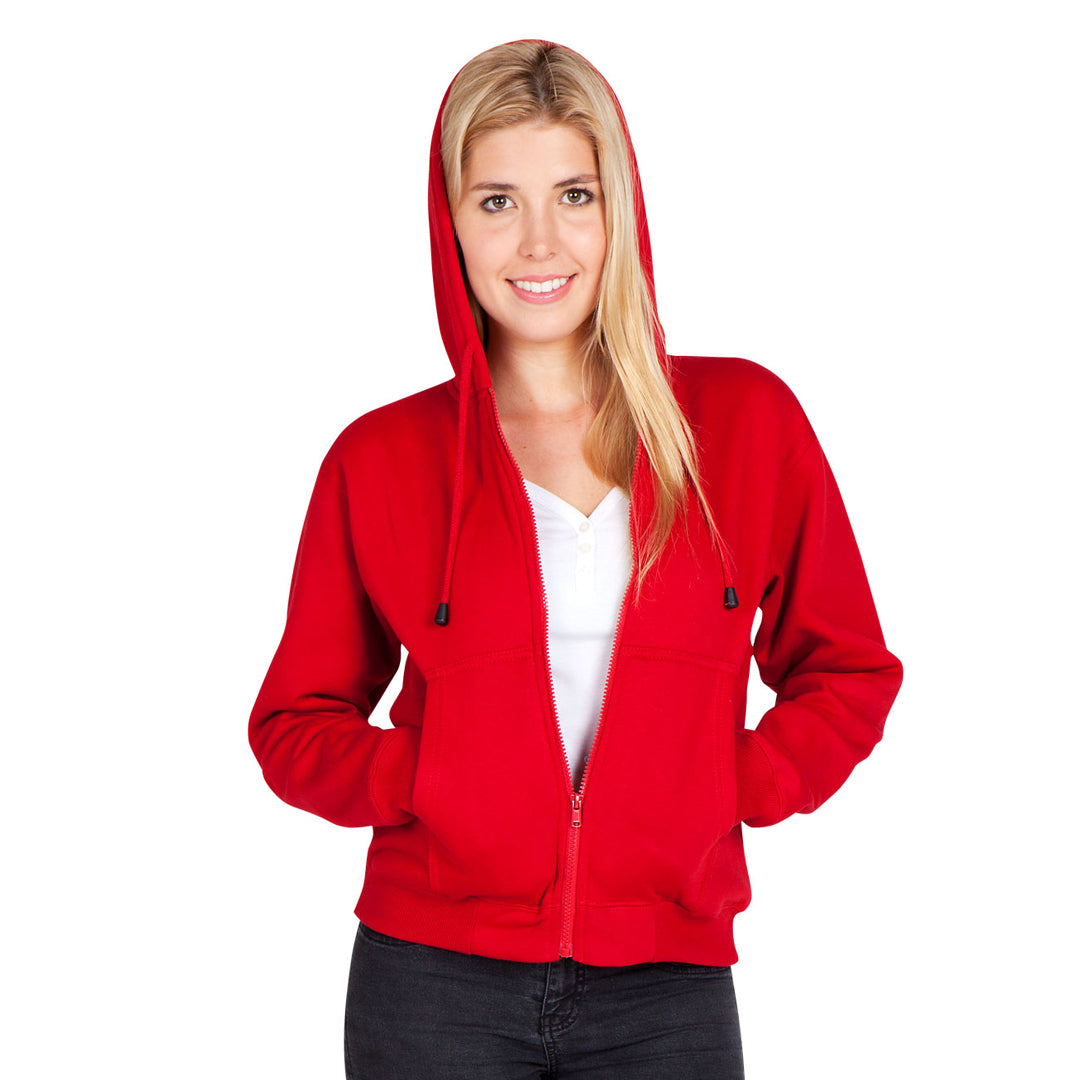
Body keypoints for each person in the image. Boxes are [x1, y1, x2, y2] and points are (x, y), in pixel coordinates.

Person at [248, 39, 903, 1079]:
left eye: (575, 194)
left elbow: (850, 670)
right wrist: (430, 776)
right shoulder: (381, 459)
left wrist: (733, 779)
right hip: (432, 983)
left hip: (668, 983)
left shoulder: (743, 424)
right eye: (496, 201)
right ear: (450, 223)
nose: (539, 241)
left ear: (620, 210)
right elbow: (293, 725)